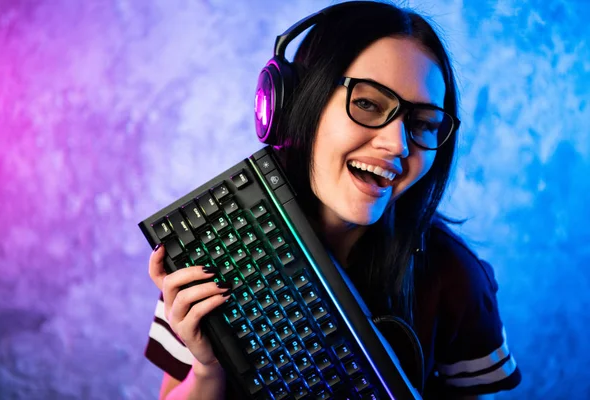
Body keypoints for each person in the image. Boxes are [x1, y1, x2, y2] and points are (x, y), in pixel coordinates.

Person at [145, 1, 522, 399]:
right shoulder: (214, 245)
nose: (397, 144)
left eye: (423, 123)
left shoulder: (455, 278)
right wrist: (208, 369)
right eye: (368, 104)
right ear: (296, 103)